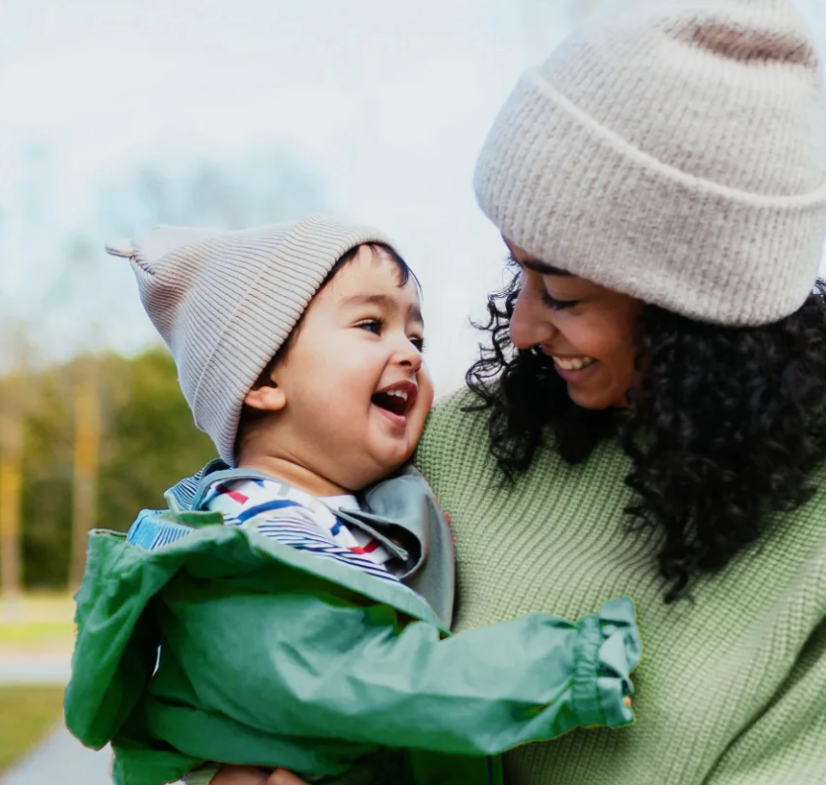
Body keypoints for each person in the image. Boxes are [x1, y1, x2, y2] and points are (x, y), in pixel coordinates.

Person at [214, 0, 826, 783]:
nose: (524, 327)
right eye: (519, 271)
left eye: (563, 293)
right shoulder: (437, 444)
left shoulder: (808, 540)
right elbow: (243, 635)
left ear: (697, 313)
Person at [63, 215, 641, 785]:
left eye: (416, 337)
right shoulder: (247, 544)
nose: (412, 354)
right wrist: (570, 668)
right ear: (262, 380)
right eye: (371, 325)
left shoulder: (353, 513)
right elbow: (362, 680)